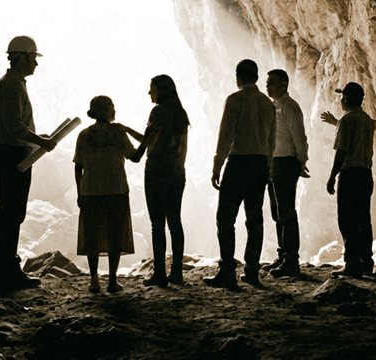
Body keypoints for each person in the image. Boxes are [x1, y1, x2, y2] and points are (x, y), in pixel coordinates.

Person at [0, 35, 57, 292]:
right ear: (22, 58)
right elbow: (14, 125)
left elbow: (15, 125)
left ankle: (4, 269)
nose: (36, 64)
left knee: (9, 213)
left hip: (11, 153)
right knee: (11, 214)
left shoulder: (13, 84)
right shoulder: (12, 86)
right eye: (33, 58)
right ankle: (6, 271)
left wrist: (38, 139)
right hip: (13, 155)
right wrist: (40, 141)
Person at [204, 59, 276, 290]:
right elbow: (272, 139)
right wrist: (267, 166)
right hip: (260, 164)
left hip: (238, 163)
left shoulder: (235, 100)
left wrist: (217, 165)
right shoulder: (267, 103)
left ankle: (227, 271)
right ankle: (252, 270)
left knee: (226, 218)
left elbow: (226, 135)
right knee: (254, 218)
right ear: (256, 77)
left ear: (238, 76)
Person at [123, 75, 190, 287]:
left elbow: (148, 140)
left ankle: (159, 272)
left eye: (152, 88)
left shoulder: (158, 111)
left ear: (160, 90)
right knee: (175, 221)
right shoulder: (180, 113)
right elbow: (157, 139)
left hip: (157, 171)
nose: (149, 93)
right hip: (177, 171)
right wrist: (128, 131)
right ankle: (177, 271)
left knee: (157, 224)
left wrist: (134, 148)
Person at [73, 96, 138, 294]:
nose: (114, 110)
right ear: (106, 111)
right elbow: (135, 157)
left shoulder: (84, 134)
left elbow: (78, 166)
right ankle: (112, 280)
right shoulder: (118, 132)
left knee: (91, 236)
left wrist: (79, 192)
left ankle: (94, 279)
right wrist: (147, 139)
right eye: (112, 107)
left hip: (90, 190)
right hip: (116, 189)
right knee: (115, 235)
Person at [320, 82, 375, 278]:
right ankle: (366, 262)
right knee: (363, 219)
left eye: (342, 96)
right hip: (365, 174)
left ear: (346, 99)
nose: (341, 100)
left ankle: (352, 263)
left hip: (350, 175)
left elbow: (342, 151)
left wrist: (332, 176)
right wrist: (336, 122)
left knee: (347, 220)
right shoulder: (367, 120)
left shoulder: (346, 120)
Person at [263, 69, 309, 278]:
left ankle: (291, 261)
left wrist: (301, 161)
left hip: (286, 162)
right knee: (277, 212)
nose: (267, 86)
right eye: (267, 82)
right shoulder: (275, 107)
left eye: (271, 82)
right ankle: (283, 255)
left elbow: (299, 136)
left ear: (283, 84)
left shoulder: (290, 107)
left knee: (286, 212)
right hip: (274, 163)